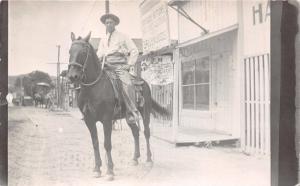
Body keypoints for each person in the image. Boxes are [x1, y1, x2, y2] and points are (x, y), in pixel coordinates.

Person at [97, 13, 140, 123]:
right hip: (106, 66)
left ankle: (132, 112)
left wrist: (129, 64)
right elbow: (100, 54)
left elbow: (134, 50)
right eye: (106, 23)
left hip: (119, 66)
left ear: (115, 23)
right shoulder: (103, 39)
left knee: (128, 84)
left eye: (111, 22)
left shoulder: (123, 36)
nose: (108, 24)